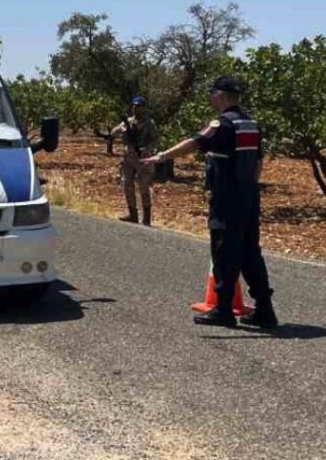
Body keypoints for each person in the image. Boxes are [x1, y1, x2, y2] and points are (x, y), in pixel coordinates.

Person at [145, 76, 277, 328]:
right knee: (250, 254)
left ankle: (224, 311)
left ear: (221, 96)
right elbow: (258, 162)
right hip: (248, 196)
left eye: (212, 93)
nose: (209, 98)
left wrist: (161, 156)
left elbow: (195, 143)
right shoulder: (250, 123)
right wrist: (248, 188)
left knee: (224, 252)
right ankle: (265, 310)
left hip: (227, 199)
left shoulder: (223, 124)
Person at [110, 96, 159, 225]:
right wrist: (121, 129)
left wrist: (147, 149)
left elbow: (156, 140)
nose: (136, 108)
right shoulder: (128, 122)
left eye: (139, 106)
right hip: (129, 158)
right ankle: (133, 214)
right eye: (134, 106)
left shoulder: (150, 123)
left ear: (144, 108)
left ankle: (147, 218)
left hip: (143, 159)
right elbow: (113, 132)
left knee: (144, 187)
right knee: (127, 185)